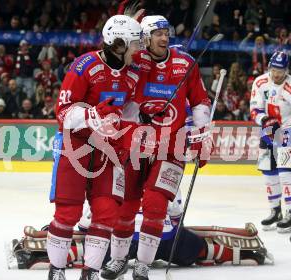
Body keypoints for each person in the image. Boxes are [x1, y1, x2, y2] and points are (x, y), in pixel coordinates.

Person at [101, 15, 213, 280]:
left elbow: (200, 102)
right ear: (145, 37)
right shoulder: (134, 61)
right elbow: (115, 82)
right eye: (158, 33)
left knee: (155, 205)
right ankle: (118, 260)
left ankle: (143, 264)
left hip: (171, 147)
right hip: (134, 145)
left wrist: (201, 137)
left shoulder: (185, 63)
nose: (165, 37)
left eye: (167, 33)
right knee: (125, 206)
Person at [47, 15, 141, 280]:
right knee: (68, 212)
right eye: (135, 44)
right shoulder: (84, 66)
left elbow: (130, 110)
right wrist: (92, 116)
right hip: (74, 146)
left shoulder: (133, 73)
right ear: (119, 44)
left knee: (107, 212)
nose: (139, 50)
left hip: (108, 150)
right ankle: (56, 271)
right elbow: (62, 113)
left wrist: (132, 131)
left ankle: (90, 272)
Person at [7, 197, 272, 271]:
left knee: (92, 247)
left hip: (118, 240)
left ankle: (36, 256)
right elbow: (177, 215)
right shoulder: (165, 166)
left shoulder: (110, 171)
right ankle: (244, 252)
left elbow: (88, 225)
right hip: (163, 240)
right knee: (195, 246)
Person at [249, 51, 291, 233]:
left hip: (287, 132)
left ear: (287, 70)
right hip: (268, 132)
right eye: (274, 70)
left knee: (285, 173)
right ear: (269, 68)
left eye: (281, 71)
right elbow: (254, 109)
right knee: (268, 173)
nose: (277, 74)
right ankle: (275, 210)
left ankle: (290, 213)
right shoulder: (259, 82)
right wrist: (265, 120)